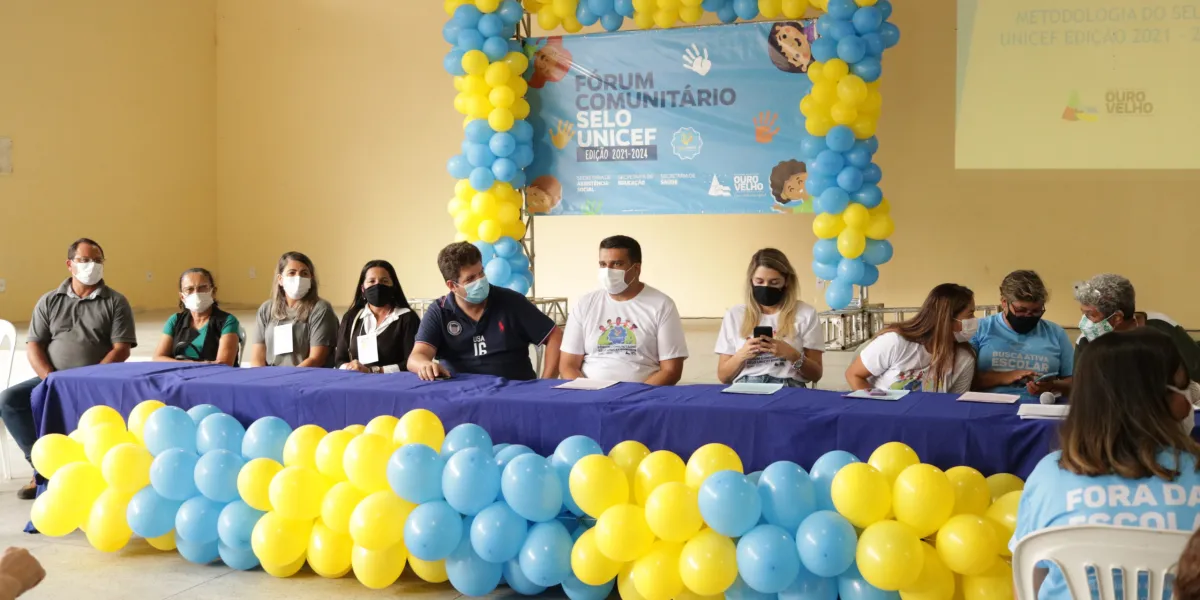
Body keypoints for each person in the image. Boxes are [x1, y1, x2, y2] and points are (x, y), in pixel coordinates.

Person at [1011, 328, 1200, 600]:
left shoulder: (1049, 477)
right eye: (1182, 387)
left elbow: (1026, 580)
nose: (1189, 400)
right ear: (1153, 400)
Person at [0, 238, 136, 500]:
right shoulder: (49, 300)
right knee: (10, 400)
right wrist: (49, 378)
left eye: (97, 260)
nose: (92, 265)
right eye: (84, 260)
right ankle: (43, 468)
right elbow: (34, 345)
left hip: (97, 381)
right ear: (69, 264)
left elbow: (121, 349)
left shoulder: (115, 302)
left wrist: (89, 379)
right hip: (53, 378)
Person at [408, 242, 562, 381]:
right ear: (452, 286)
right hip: (461, 395)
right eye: (470, 279)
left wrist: (546, 384)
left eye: (481, 272)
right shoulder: (439, 312)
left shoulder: (512, 302)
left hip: (515, 393)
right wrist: (424, 365)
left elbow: (554, 336)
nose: (480, 281)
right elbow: (416, 357)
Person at [560, 236, 689, 385]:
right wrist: (587, 391)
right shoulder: (584, 304)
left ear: (636, 268)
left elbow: (671, 370)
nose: (608, 271)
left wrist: (634, 395)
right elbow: (568, 366)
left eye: (617, 264)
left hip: (642, 394)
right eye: (603, 264)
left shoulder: (662, 305)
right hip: (590, 393)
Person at [715, 249, 823, 387]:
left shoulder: (805, 313)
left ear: (786, 282)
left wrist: (792, 355)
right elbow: (723, 377)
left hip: (788, 385)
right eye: (759, 281)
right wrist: (742, 355)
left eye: (774, 282)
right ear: (751, 281)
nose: (766, 287)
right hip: (746, 385)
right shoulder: (735, 315)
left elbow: (816, 375)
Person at [845, 283, 976, 393]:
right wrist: (877, 409)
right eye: (970, 314)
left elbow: (955, 405)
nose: (975, 320)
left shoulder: (964, 359)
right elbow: (854, 375)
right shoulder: (895, 342)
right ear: (946, 319)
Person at [1074, 273, 1200, 378]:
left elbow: (1195, 372)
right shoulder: (1086, 341)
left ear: (1117, 317)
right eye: (1083, 313)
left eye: (1090, 314)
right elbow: (1082, 389)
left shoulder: (1161, 326)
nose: (1084, 321)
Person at [970, 270, 1074, 396]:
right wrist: (1004, 377)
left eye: (1036, 311)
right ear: (1004, 302)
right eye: (1021, 310)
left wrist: (1052, 385)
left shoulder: (1056, 334)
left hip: (1040, 404)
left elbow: (1074, 383)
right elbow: (959, 380)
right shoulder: (979, 329)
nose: (1028, 316)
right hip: (989, 403)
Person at [248, 251, 339, 368]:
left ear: (311, 278)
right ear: (280, 279)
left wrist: (290, 377)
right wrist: (264, 378)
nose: (298, 278)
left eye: (304, 273)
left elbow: (316, 359)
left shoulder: (321, 309)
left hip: (306, 376)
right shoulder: (266, 309)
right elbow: (257, 359)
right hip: (271, 376)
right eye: (292, 273)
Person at [334, 260, 419, 374]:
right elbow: (339, 360)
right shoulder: (351, 317)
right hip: (356, 380)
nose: (378, 286)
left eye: (384, 281)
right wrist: (350, 367)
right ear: (363, 289)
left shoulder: (407, 318)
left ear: (393, 287)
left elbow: (412, 363)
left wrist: (374, 371)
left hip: (394, 382)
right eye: (371, 281)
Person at [152, 268, 240, 366]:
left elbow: (224, 364)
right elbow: (158, 358)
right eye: (189, 289)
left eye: (202, 287)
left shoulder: (227, 321)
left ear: (213, 292)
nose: (196, 293)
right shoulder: (175, 321)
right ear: (182, 297)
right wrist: (192, 364)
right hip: (179, 374)